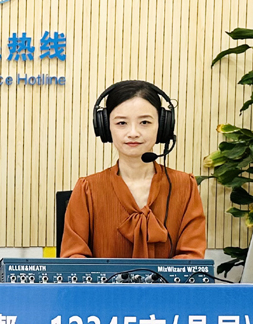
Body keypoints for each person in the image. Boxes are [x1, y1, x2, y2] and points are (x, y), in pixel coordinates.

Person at [61, 80, 206, 259]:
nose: (133, 133)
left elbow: (191, 257)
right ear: (106, 127)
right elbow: (74, 258)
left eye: (144, 122)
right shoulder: (87, 189)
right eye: (122, 123)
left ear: (162, 126)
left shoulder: (185, 186)